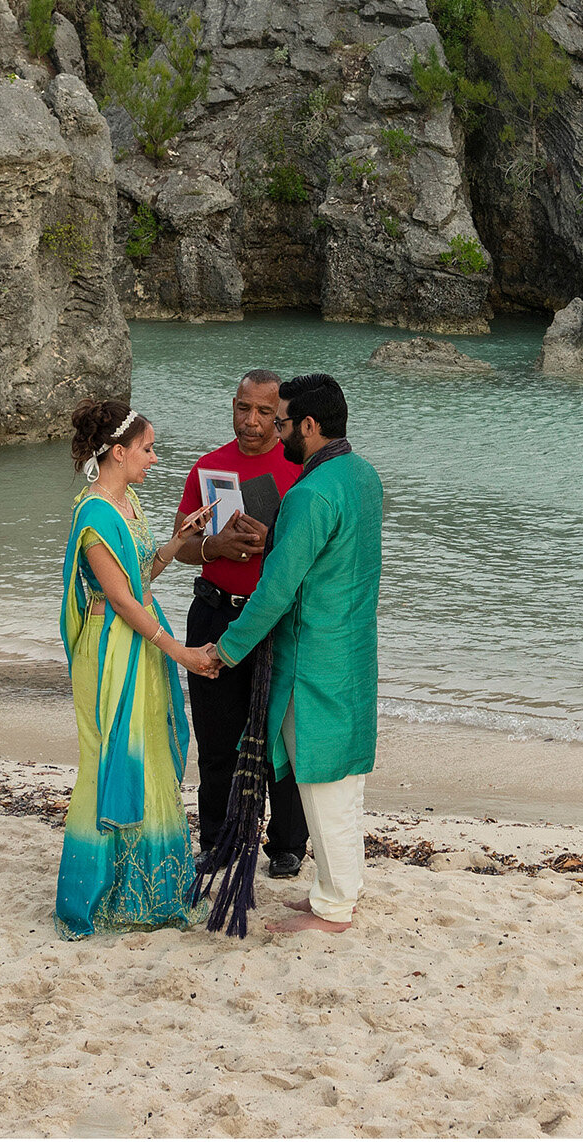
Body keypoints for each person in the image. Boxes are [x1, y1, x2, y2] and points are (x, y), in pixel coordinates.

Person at [210, 373, 383, 935]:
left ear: (309, 425)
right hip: (352, 647)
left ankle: (334, 906)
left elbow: (277, 590)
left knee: (320, 782)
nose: (276, 431)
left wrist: (228, 650)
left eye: (281, 421)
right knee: (342, 782)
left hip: (313, 659)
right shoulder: (362, 475)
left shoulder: (310, 492)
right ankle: (340, 889)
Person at [53, 397, 215, 939]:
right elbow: (121, 600)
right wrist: (184, 653)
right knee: (112, 756)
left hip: (139, 637)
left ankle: (146, 890)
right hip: (111, 649)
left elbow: (142, 578)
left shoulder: (129, 505)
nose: (153, 458)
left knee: (146, 756)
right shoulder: (95, 514)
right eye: (147, 449)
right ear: (118, 453)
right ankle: (95, 893)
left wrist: (179, 539)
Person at [173, 370, 311, 880]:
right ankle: (217, 840)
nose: (250, 422)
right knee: (215, 739)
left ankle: (287, 845)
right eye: (241, 408)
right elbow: (178, 545)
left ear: (283, 417)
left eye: (263, 412)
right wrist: (215, 546)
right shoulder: (208, 467)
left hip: (273, 618)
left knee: (281, 735)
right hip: (213, 610)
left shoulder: (299, 470)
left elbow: (314, 550)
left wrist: (269, 539)